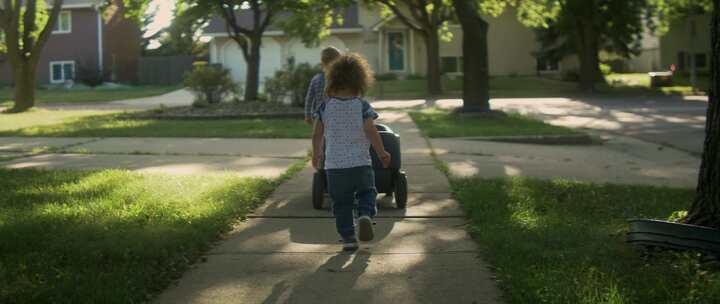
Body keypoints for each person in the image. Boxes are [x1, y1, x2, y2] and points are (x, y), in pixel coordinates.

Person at [311, 53, 391, 252]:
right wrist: (382, 152)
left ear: (332, 80)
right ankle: (365, 215)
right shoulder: (362, 106)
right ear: (360, 82)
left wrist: (316, 153)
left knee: (341, 203)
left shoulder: (325, 107)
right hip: (360, 164)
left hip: (335, 167)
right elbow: (371, 131)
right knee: (368, 192)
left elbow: (317, 133)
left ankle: (348, 238)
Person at [304, 46, 342, 125]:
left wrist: (308, 115)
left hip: (320, 116)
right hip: (337, 115)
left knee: (319, 136)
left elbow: (309, 99)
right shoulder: (341, 79)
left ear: (322, 62)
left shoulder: (316, 79)